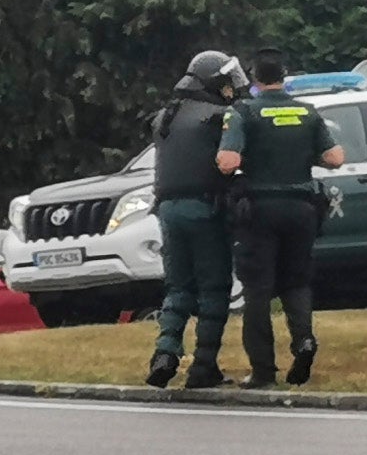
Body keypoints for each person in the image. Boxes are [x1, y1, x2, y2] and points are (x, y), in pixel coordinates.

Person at [219, 49, 343, 389]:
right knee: (296, 282)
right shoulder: (307, 112)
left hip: (260, 209)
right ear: (284, 75)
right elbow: (336, 158)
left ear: (255, 77)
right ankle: (303, 341)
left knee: (258, 290)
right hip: (302, 208)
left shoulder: (244, 111)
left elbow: (228, 162)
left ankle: (262, 371)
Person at [143, 51, 247, 390]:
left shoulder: (165, 117)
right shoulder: (221, 116)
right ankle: (204, 366)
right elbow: (232, 163)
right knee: (213, 288)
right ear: (214, 81)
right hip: (206, 208)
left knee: (178, 288)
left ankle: (165, 353)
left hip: (168, 210)